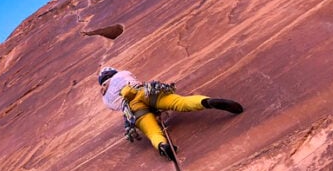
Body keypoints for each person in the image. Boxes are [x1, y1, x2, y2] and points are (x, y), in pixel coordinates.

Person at [98, 66, 243, 159]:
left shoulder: (105, 99)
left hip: (132, 108)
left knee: (152, 131)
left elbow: (118, 107)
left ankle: (162, 146)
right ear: (113, 73)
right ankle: (206, 102)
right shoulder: (123, 74)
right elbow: (136, 81)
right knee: (180, 102)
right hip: (145, 92)